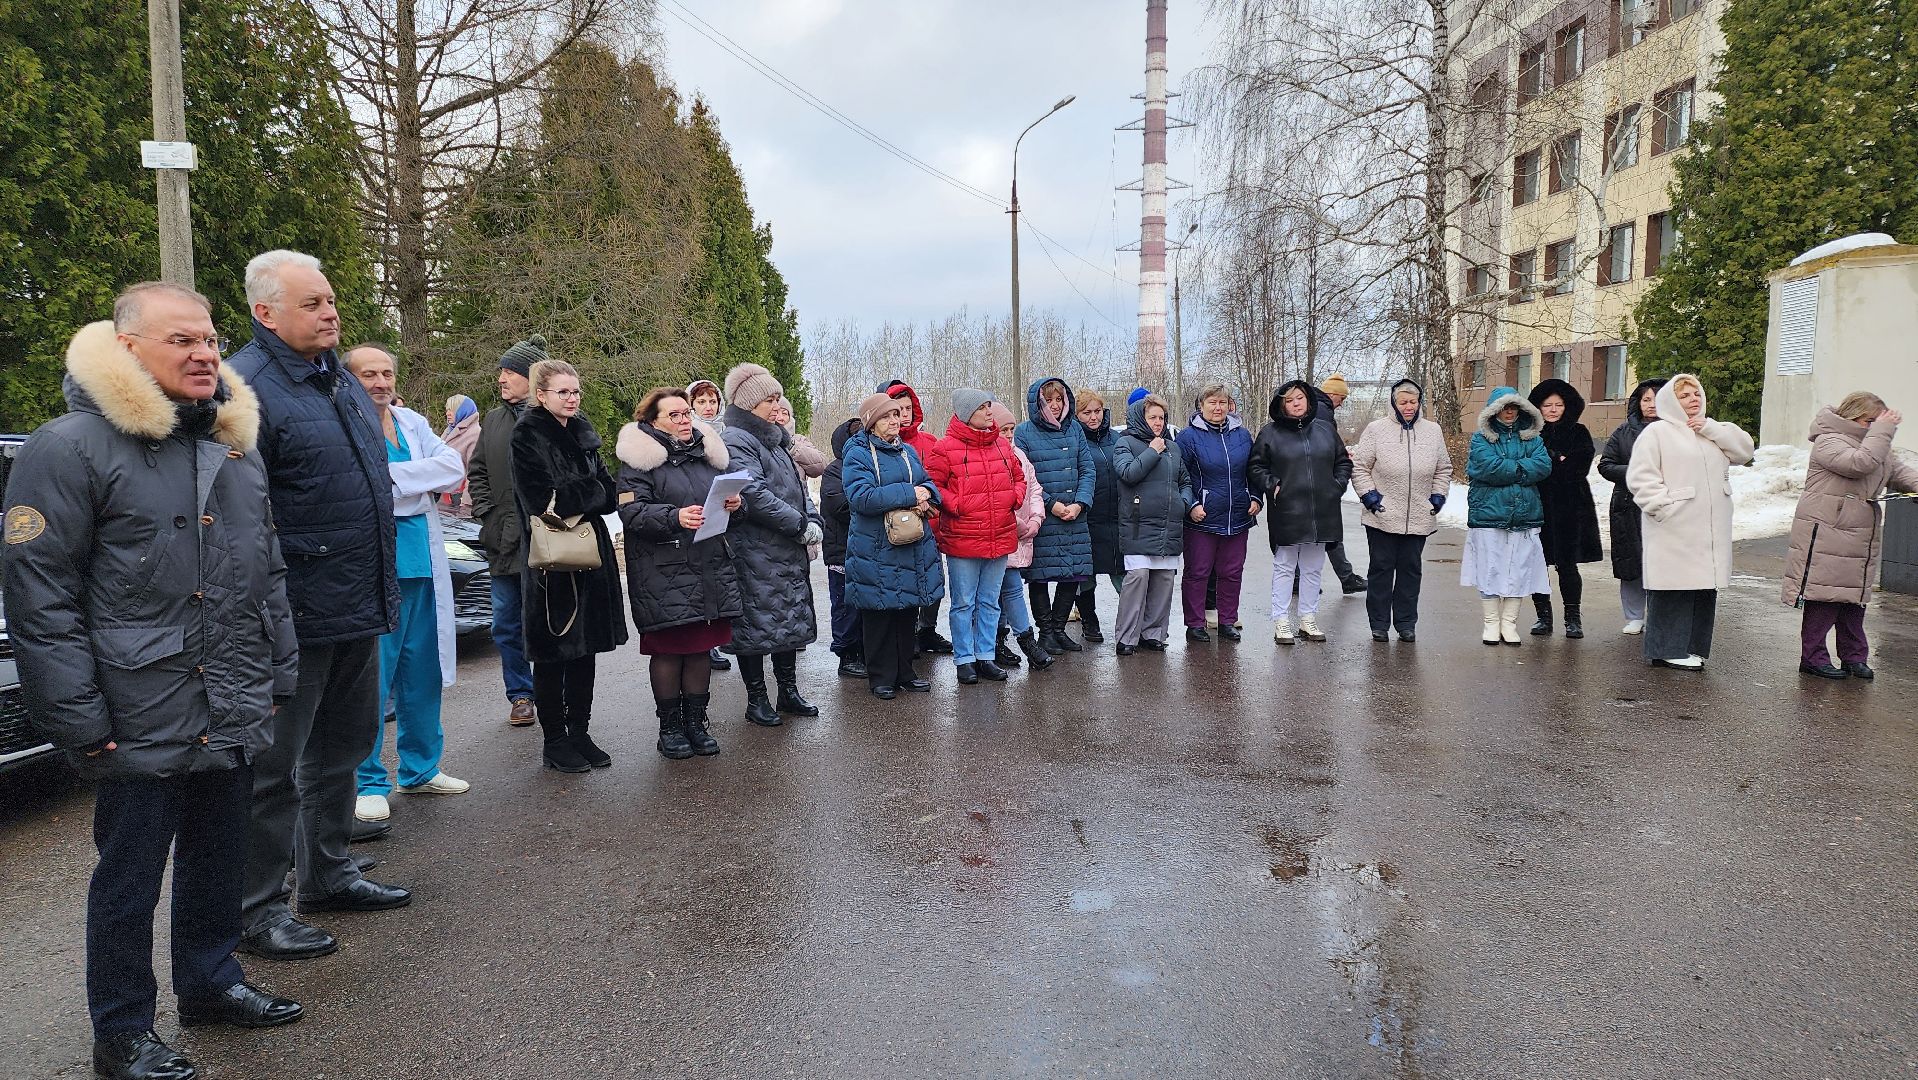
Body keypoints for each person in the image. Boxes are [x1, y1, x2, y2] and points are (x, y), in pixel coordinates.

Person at [3, 285, 304, 1080]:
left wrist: (278, 669)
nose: (206, 353)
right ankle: (122, 1030)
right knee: (130, 877)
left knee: (218, 856)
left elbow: (265, 570)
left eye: (210, 339)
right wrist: (75, 712)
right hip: (135, 702)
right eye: (183, 341)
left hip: (231, 690)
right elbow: (40, 594)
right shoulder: (67, 447)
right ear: (127, 349)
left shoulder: (233, 447)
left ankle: (211, 982)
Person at [226, 250, 409, 963]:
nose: (330, 313)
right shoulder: (247, 387)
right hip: (291, 611)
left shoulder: (339, 383)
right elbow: (244, 514)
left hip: (355, 602)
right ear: (265, 312)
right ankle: (257, 909)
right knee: (273, 771)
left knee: (345, 750)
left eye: (331, 300)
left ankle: (330, 873)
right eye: (312, 304)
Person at [345, 345, 470, 824]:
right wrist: (414, 485)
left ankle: (420, 769)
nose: (380, 382)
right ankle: (367, 780)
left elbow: (452, 468)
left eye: (387, 373)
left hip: (421, 564)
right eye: (369, 374)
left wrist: (393, 481)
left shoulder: (411, 421)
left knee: (423, 672)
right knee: (372, 679)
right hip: (375, 568)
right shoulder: (346, 422)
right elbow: (360, 483)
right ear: (350, 378)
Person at [511, 358, 628, 769]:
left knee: (586, 650)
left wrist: (586, 491)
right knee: (553, 651)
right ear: (540, 395)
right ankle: (554, 740)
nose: (572, 398)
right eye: (563, 391)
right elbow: (543, 502)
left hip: (590, 553)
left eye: (576, 391)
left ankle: (580, 731)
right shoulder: (526, 434)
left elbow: (610, 493)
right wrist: (590, 491)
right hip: (551, 559)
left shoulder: (583, 431)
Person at [615, 387, 743, 756]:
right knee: (670, 650)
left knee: (701, 648)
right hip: (664, 570)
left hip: (708, 564)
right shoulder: (639, 461)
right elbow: (631, 512)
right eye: (675, 415)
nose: (685, 420)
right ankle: (669, 728)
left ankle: (696, 723)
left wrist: (736, 504)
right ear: (652, 421)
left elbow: (726, 503)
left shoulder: (707, 455)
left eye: (687, 413)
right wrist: (674, 516)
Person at [1780, 393, 1917, 680]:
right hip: (1828, 531)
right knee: (1824, 598)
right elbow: (1859, 464)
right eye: (1870, 421)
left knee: (1853, 600)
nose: (1873, 427)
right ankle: (1813, 658)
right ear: (1853, 417)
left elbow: (1897, 471)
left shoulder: (1875, 445)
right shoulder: (1828, 440)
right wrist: (1882, 431)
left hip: (1858, 535)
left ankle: (1854, 657)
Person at [1627, 374, 1755, 670]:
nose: (1693, 399)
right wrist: (1662, 508)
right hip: (1675, 525)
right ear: (1670, 401)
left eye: (1696, 393)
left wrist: (1709, 428)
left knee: (1702, 587)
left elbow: (1744, 452)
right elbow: (1641, 476)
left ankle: (1692, 646)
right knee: (1673, 588)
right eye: (1685, 396)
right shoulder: (1657, 432)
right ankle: (1667, 648)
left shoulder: (1714, 430)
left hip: (1709, 527)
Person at [722, 363, 823, 724]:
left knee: (787, 621)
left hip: (785, 549)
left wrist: (812, 518)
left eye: (778, 396)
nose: (777, 403)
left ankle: (788, 691)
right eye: (770, 398)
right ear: (750, 404)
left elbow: (798, 488)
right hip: (754, 549)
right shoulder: (737, 439)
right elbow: (754, 493)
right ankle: (756, 698)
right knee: (754, 625)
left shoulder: (775, 438)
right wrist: (798, 525)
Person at [842, 393, 946, 696]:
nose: (896, 420)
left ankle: (904, 671)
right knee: (879, 613)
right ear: (872, 423)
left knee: (906, 611)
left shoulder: (908, 451)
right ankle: (881, 677)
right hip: (875, 546)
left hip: (912, 542)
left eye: (898, 415)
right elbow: (861, 497)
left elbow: (928, 485)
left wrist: (927, 495)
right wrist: (911, 494)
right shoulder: (858, 453)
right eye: (888, 416)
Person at [926, 389, 1023, 683]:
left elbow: (1019, 478)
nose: (989, 412)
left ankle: (985, 656)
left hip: (999, 534)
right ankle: (964, 659)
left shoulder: (1002, 447)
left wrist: (1013, 499)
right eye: (982, 408)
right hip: (963, 537)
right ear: (968, 413)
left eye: (989, 406)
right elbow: (932, 484)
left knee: (990, 601)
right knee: (964, 602)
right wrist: (956, 505)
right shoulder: (945, 449)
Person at [468, 338, 541, 726]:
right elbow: (477, 471)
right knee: (505, 623)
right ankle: (521, 695)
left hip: (543, 542)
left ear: (531, 377)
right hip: (501, 544)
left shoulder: (549, 418)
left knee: (545, 621)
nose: (501, 378)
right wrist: (487, 513)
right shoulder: (492, 421)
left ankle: (550, 688)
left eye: (509, 372)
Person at [1350, 379, 1454, 642]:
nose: (1409, 407)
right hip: (1382, 514)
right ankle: (1379, 623)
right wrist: (1370, 497)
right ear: (1393, 404)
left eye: (1413, 401)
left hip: (1419, 514)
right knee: (1382, 569)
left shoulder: (1433, 431)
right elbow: (1360, 467)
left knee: (1411, 570)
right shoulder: (1376, 430)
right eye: (1403, 402)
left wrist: (1438, 496)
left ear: (1420, 403)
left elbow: (1443, 468)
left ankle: (1406, 623)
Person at [1250, 380, 1353, 644]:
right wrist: (1273, 485)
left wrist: (1336, 486)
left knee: (1313, 568)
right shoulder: (1270, 433)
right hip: (1287, 510)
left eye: (1300, 398)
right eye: (1289, 400)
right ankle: (1282, 621)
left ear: (1308, 400)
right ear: (1281, 404)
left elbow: (1342, 462)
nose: (1296, 404)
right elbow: (1256, 467)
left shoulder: (1325, 430)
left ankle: (1308, 618)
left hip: (1322, 510)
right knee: (1285, 566)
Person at [1462, 386, 1552, 646]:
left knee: (1519, 569)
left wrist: (1510, 470)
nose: (1509, 412)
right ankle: (1491, 623)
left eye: (1513, 406)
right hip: (1489, 516)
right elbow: (1487, 468)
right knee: (1490, 568)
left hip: (1525, 515)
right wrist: (1523, 470)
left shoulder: (1532, 437)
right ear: (1494, 411)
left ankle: (1509, 624)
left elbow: (1543, 466)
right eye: (1503, 407)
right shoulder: (1481, 438)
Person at [1015, 377, 1097, 655]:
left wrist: (1080, 503)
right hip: (1044, 517)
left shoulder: (1074, 429)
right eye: (1048, 400)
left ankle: (1060, 630)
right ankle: (1046, 632)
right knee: (1039, 576)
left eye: (1059, 399)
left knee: (1072, 575)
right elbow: (1025, 476)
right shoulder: (1024, 432)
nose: (1055, 404)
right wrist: (1051, 505)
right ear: (1038, 403)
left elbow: (1087, 469)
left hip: (1075, 516)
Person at [1111, 394, 1197, 654]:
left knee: (1164, 580)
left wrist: (1183, 502)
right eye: (1152, 417)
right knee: (1137, 579)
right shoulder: (1125, 443)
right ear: (1141, 418)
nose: (1158, 423)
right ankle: (1126, 638)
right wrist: (1152, 451)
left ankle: (1154, 633)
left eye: (1161, 418)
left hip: (1168, 525)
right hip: (1138, 525)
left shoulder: (1173, 448)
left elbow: (1185, 481)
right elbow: (1127, 473)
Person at [1176, 383, 1260, 642]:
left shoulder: (1242, 435)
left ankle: (1227, 620)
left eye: (1222, 402)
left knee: (1232, 572)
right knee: (1198, 572)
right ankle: (1195, 623)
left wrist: (1256, 496)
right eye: (1212, 402)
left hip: (1237, 517)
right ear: (1200, 406)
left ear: (1229, 406)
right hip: (1202, 517)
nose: (1218, 407)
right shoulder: (1188, 438)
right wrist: (1191, 505)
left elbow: (1254, 469)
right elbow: (1181, 477)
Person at [878, 379, 954, 656]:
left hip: (930, 525)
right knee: (904, 583)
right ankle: (905, 636)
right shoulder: (878, 449)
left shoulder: (930, 442)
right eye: (898, 409)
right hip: (898, 528)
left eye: (909, 407)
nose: (905, 414)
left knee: (933, 582)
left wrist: (930, 501)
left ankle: (927, 631)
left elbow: (937, 481)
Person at [1525, 379, 1604, 638]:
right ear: (1538, 407)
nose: (1553, 409)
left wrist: (1552, 463)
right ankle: (1543, 617)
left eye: (1559, 404)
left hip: (1571, 506)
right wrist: (1555, 461)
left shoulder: (1578, 432)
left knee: (1567, 564)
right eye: (1547, 405)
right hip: (1539, 504)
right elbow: (1531, 469)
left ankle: (1573, 619)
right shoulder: (1531, 434)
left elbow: (1579, 467)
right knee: (1538, 564)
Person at [1597, 379, 1666, 635]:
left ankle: (1661, 616)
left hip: (1665, 507)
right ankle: (1634, 616)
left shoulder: (1678, 431)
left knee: (1661, 563)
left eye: (1657, 399)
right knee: (1631, 562)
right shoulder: (1623, 432)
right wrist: (1638, 473)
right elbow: (1606, 465)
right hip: (1628, 505)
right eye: (1646, 399)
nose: (1651, 405)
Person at [991, 402, 1056, 671]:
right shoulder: (992, 457)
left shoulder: (1019, 455)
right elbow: (998, 498)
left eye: (1011, 429)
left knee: (1006, 591)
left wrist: (1036, 519)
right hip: (1002, 534)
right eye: (1002, 430)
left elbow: (1035, 489)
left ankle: (1000, 642)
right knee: (1007, 591)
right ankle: (1025, 642)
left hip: (1022, 533)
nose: (1007, 435)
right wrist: (1018, 524)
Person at [685, 380, 734, 670]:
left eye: (712, 401)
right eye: (701, 401)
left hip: (722, 510)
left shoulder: (726, 433)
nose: (708, 407)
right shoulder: (686, 433)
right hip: (694, 512)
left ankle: (717, 637)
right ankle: (705, 643)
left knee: (720, 580)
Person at [1072, 389, 1125, 642]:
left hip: (1115, 517)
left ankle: (1131, 623)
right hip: (1088, 518)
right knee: (1086, 576)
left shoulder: (1116, 438)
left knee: (1122, 573)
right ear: (1076, 415)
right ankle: (1089, 622)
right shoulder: (1073, 439)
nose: (1093, 417)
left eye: (1097, 411)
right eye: (1086, 412)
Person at [819, 417, 867, 679]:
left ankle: (864, 650)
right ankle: (846, 654)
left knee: (864, 604)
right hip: (842, 549)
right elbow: (839, 506)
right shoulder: (834, 470)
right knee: (844, 604)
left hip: (867, 549)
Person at [1314, 374, 1367, 594]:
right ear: (1332, 394)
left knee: (1318, 531)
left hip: (1315, 476)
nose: (1342, 403)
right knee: (1328, 530)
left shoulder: (1316, 406)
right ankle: (1345, 578)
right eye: (1341, 398)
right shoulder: (1322, 410)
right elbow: (1321, 443)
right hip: (1320, 478)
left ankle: (1343, 577)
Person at [440, 394, 481, 511]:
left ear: (463, 411)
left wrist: (467, 504)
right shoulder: (449, 431)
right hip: (442, 499)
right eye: (447, 409)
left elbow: (474, 472)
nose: (448, 413)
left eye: (452, 410)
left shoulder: (475, 434)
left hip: (458, 502)